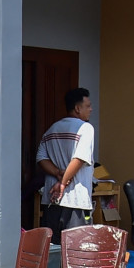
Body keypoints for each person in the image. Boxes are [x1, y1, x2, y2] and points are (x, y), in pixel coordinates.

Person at [37, 88, 96, 234]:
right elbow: (79, 158)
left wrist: (58, 173)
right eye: (88, 106)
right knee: (76, 250)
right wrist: (63, 183)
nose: (91, 109)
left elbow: (41, 158)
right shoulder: (85, 128)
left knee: (54, 251)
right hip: (76, 202)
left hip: (52, 201)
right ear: (77, 108)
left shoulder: (52, 129)